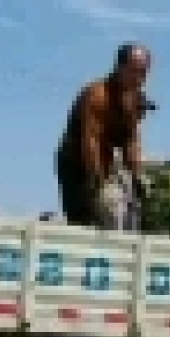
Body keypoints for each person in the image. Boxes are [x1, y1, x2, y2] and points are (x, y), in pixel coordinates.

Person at [55, 44, 152, 230]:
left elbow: (131, 140)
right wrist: (97, 182)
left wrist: (137, 175)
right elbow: (90, 141)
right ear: (120, 67)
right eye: (136, 71)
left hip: (105, 160)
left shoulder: (135, 100)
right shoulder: (97, 95)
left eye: (144, 73)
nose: (140, 78)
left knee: (126, 211)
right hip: (75, 163)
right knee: (83, 221)